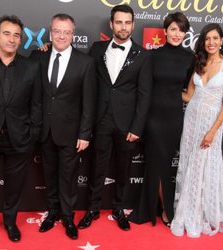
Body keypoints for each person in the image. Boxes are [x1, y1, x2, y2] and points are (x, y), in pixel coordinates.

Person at [78, 4, 152, 231]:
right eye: (118, 22)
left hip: (127, 123)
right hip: (100, 120)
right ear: (111, 24)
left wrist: (137, 127)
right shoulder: (96, 49)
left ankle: (119, 208)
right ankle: (92, 208)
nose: (123, 27)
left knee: (124, 168)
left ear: (133, 24)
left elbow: (144, 94)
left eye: (127, 22)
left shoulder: (143, 55)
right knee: (96, 166)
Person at [0, 15, 42, 247]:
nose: (12, 39)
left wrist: (32, 133)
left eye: (16, 35)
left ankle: (10, 223)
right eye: (6, 33)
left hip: (19, 138)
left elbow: (36, 105)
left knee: (14, 186)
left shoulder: (32, 66)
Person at [30, 14, 96, 240]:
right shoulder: (38, 57)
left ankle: (67, 217)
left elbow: (89, 102)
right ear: (50, 33)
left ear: (73, 35)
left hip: (71, 132)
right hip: (45, 130)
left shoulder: (85, 62)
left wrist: (85, 133)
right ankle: (52, 213)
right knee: (49, 175)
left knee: (67, 177)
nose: (61, 36)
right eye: (57, 31)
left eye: (66, 32)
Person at [128, 12, 195, 227]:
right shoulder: (151, 56)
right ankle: (165, 209)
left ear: (185, 33)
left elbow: (189, 92)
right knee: (156, 164)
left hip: (174, 118)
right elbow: (143, 90)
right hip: (153, 119)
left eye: (181, 29)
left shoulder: (190, 57)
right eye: (173, 29)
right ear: (165, 31)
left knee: (166, 165)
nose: (177, 33)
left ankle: (156, 207)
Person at [171, 23, 223, 238]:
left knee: (206, 164)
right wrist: (165, 92)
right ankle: (187, 209)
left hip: (212, 123)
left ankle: (203, 213)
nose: (211, 42)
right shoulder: (199, 63)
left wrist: (212, 132)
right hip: (191, 120)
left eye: (215, 38)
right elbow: (189, 96)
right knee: (189, 163)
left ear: (221, 40)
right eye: (207, 39)